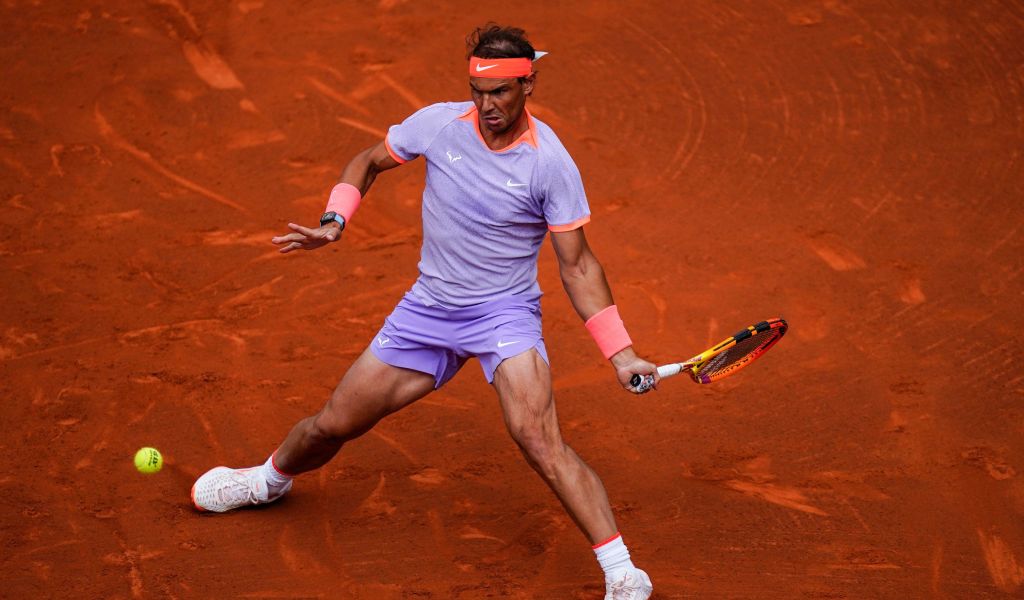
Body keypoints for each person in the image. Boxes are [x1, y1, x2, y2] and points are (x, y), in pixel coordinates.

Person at [191, 24, 657, 600]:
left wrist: (621, 352)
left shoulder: (548, 162)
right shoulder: (439, 124)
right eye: (478, 92)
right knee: (335, 423)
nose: (487, 106)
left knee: (536, 435)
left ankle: (622, 573)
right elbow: (366, 160)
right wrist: (335, 222)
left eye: (501, 94)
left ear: (528, 85)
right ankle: (268, 479)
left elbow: (578, 266)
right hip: (429, 311)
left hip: (503, 315)